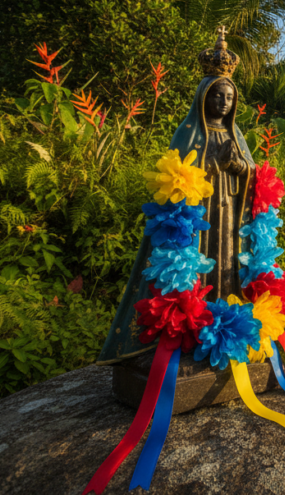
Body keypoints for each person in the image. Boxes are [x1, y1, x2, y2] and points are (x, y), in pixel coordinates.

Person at [99, 33, 256, 365]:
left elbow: (250, 172)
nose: (224, 103)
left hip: (228, 213)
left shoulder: (235, 134)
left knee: (226, 264)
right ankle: (190, 328)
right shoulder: (190, 132)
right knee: (195, 267)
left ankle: (224, 328)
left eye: (229, 97)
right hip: (198, 216)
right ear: (204, 96)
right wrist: (214, 165)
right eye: (218, 95)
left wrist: (238, 165)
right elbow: (178, 174)